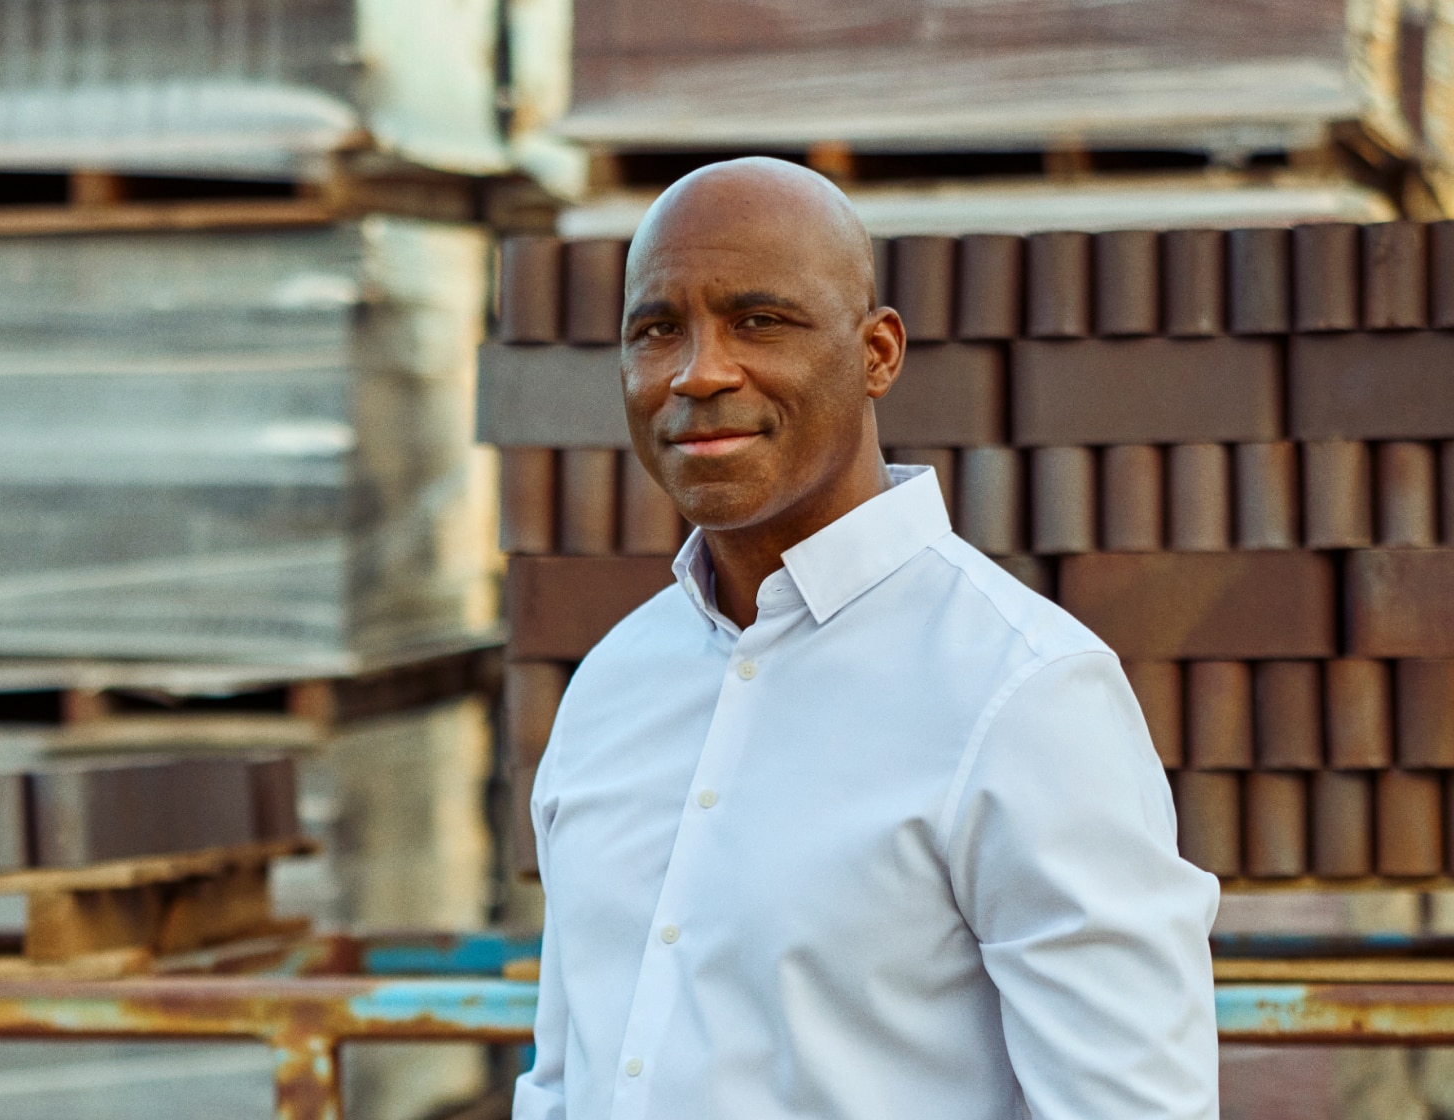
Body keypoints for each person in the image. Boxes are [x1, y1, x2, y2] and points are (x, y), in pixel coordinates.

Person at [513, 158, 1219, 1120]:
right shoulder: (611, 687)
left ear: (878, 352)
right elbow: (566, 1080)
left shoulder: (1023, 695)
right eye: (657, 330)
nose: (699, 371)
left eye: (760, 320)